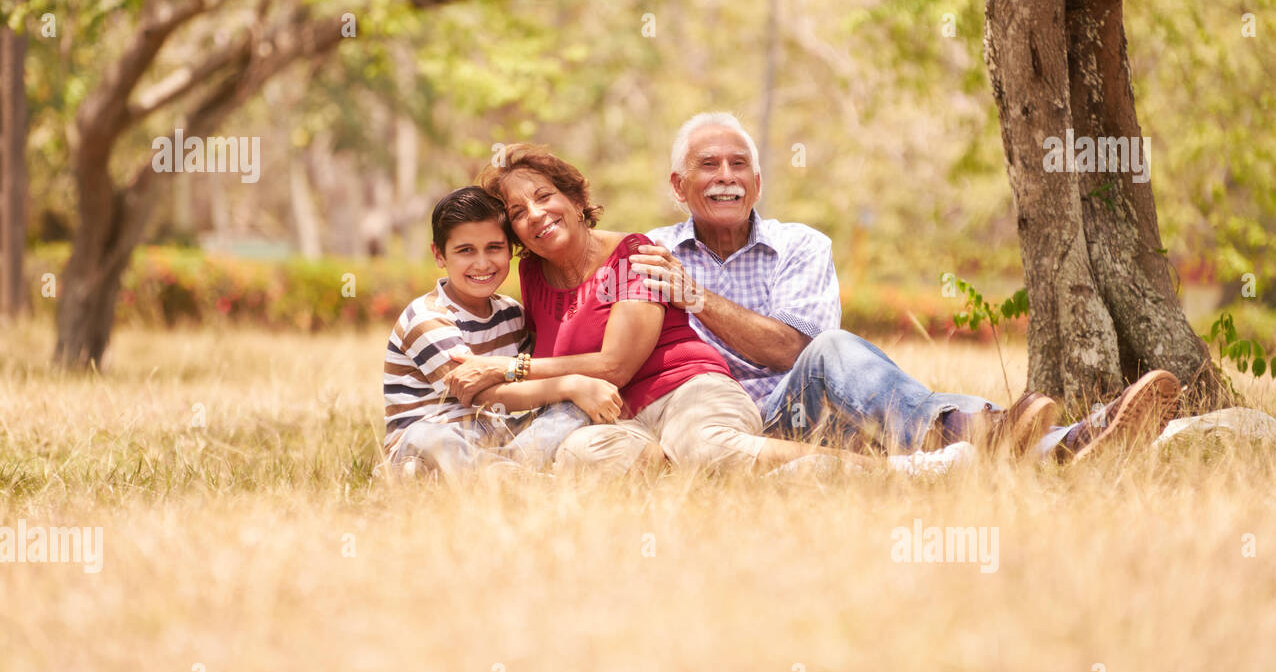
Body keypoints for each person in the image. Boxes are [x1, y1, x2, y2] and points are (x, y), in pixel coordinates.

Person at [630, 112, 1180, 460]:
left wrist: (696, 297)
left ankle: (1069, 441)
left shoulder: (801, 245)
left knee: (843, 361)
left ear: (757, 181)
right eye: (708, 165)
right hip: (726, 426)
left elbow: (794, 350)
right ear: (679, 186)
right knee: (916, 420)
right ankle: (1043, 438)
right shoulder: (649, 254)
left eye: (739, 164)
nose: (726, 175)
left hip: (814, 413)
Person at [447, 144, 971, 475]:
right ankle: (769, 475)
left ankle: (903, 472)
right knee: (579, 458)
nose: (536, 215)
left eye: (544, 196)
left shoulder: (634, 255)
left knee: (706, 445)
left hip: (687, 392)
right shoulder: (534, 276)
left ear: (577, 198)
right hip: (624, 417)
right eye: (518, 212)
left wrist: (506, 367)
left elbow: (614, 366)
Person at [382, 187, 621, 477]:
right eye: (465, 250)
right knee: (428, 438)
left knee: (574, 409)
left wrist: (575, 390)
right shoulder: (426, 317)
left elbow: (529, 376)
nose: (482, 263)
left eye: (494, 248)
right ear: (439, 255)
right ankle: (517, 477)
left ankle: (505, 472)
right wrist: (570, 384)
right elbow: (481, 393)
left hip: (498, 440)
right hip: (435, 441)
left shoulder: (511, 313)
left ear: (510, 249)